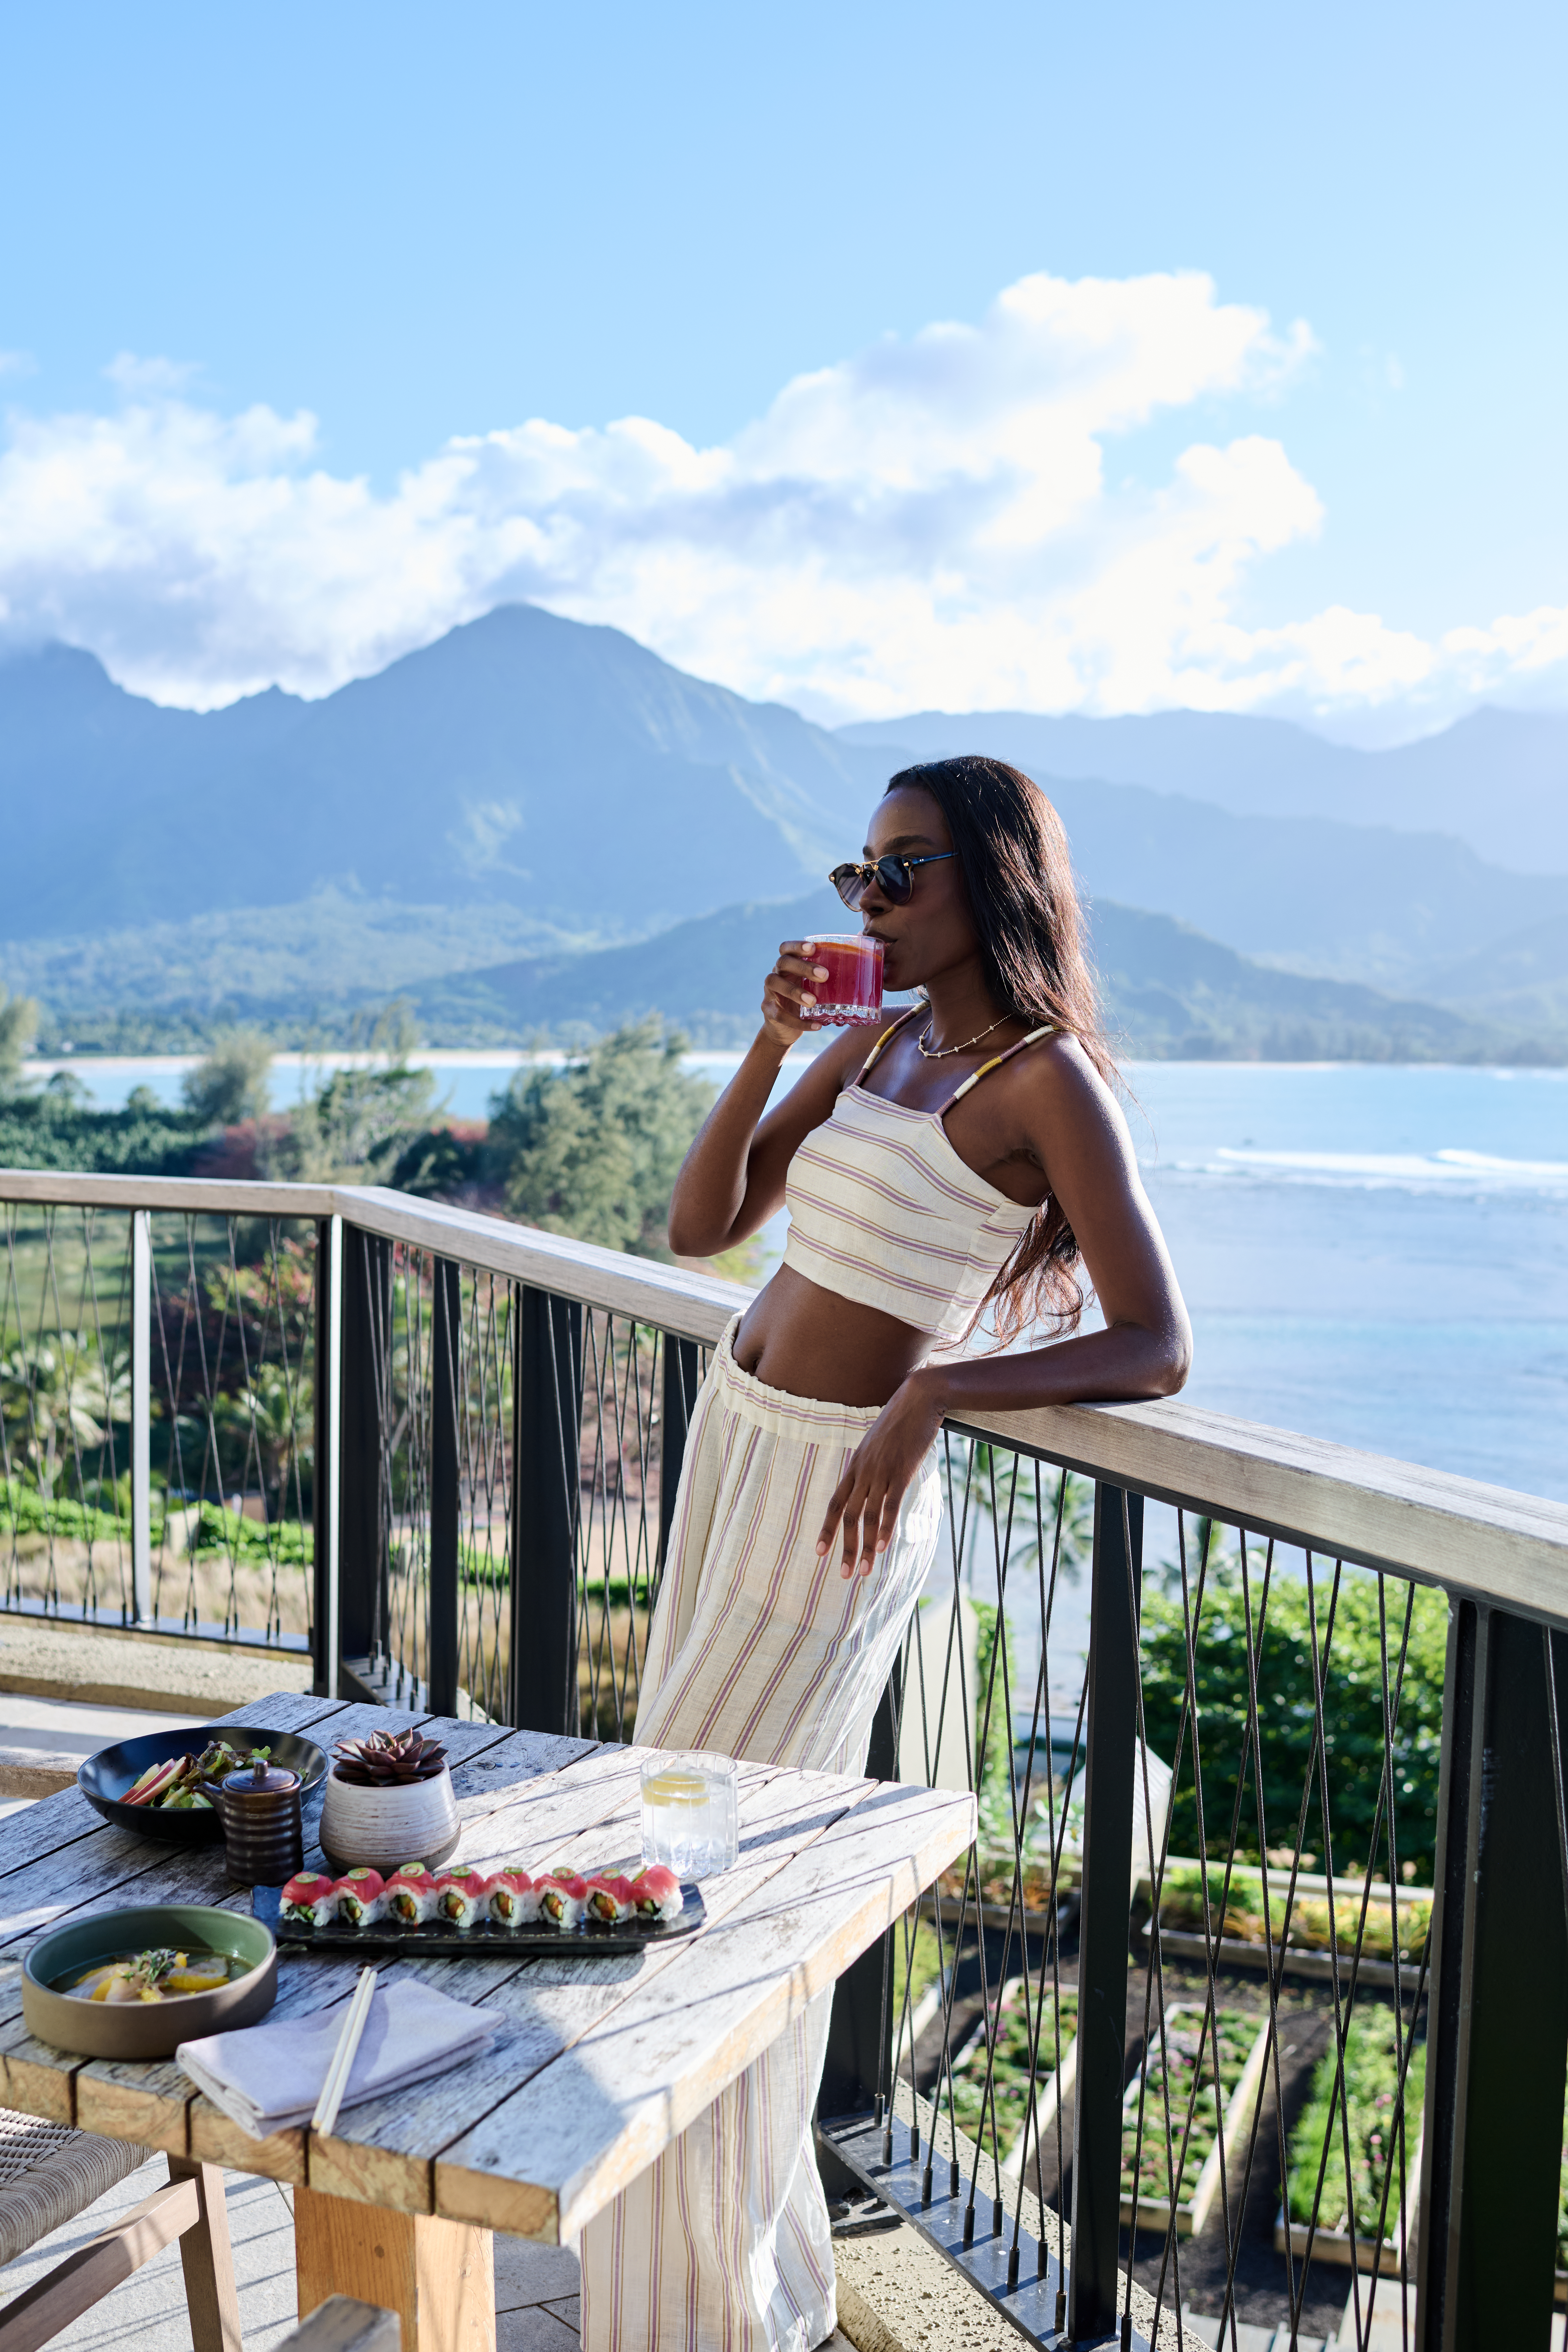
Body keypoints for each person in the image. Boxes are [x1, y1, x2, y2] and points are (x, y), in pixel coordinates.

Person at [579, 755, 1191, 2352]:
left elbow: (1154, 1342)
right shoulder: (875, 1037)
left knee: (711, 1884)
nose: (867, 900)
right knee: (677, 1851)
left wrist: (933, 1391)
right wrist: (772, 1042)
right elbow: (699, 1226)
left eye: (899, 870)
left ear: (994, 880)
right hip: (740, 1446)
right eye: (855, 873)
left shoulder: (1046, 1084)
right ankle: (707, 2263)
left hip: (835, 1503)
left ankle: (697, 2302)